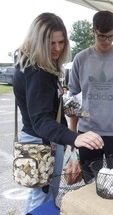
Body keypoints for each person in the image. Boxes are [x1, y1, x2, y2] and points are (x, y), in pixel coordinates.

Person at [13, 13, 104, 214]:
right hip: (41, 143)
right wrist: (74, 138)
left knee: (44, 195)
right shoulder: (38, 72)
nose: (57, 48)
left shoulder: (34, 63)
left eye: (61, 42)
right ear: (38, 41)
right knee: (42, 197)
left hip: (41, 139)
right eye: (51, 43)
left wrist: (77, 111)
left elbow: (48, 104)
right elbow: (40, 120)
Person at [68, 11, 113, 168]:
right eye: (101, 36)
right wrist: (72, 133)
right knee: (90, 183)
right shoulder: (81, 58)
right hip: (87, 133)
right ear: (93, 31)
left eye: (111, 36)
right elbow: (72, 97)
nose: (107, 41)